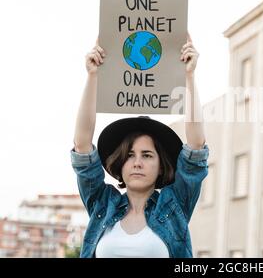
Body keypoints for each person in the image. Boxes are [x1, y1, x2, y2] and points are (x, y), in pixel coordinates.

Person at [70, 34, 208, 258]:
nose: (136, 163)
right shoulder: (103, 205)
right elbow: (82, 147)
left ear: (161, 166)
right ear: (120, 164)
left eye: (147, 155)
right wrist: (93, 75)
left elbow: (195, 149)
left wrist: (189, 77)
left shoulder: (174, 206)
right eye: (129, 155)